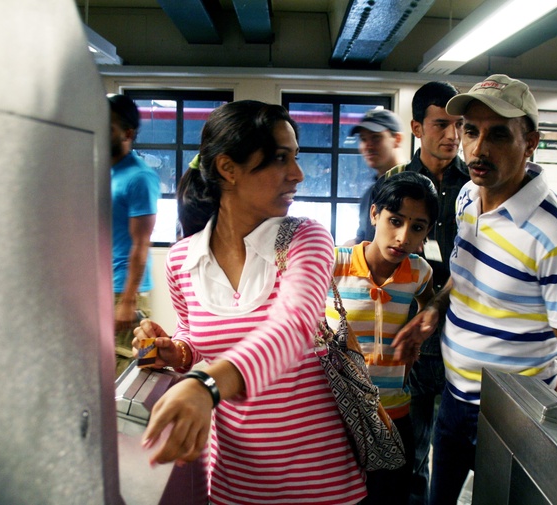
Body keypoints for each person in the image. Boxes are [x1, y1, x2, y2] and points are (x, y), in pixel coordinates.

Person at [132, 100, 366, 504]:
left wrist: (206, 385)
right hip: (233, 486)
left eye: (295, 157)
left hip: (322, 486)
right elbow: (195, 337)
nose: (298, 174)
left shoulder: (306, 239)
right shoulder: (182, 259)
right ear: (228, 168)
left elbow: (293, 327)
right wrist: (176, 351)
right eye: (280, 158)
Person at [395, 75, 557, 504]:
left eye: (499, 134)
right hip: (455, 398)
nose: (478, 148)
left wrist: (550, 448)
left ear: (530, 142)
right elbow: (462, 276)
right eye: (471, 131)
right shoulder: (469, 196)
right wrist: (434, 311)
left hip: (518, 417)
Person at [352, 81, 468, 505]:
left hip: (461, 334)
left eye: (459, 125)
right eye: (441, 125)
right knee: (411, 455)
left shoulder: (475, 188)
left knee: (454, 449)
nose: (452, 135)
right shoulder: (394, 184)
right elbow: (368, 255)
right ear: (417, 128)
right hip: (406, 341)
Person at [327, 171, 439, 505]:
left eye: (417, 227)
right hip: (337, 416)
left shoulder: (419, 272)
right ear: (374, 214)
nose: (403, 237)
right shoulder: (334, 263)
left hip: (394, 414)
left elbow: (429, 302)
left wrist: (420, 329)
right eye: (395, 221)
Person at [109, 94, 160, 377]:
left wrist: (128, 301)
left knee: (135, 369)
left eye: (109, 128)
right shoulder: (107, 172)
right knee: (105, 368)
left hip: (127, 292)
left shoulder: (139, 177)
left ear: (128, 133)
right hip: (104, 286)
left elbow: (142, 242)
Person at [348, 108, 406, 244]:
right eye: (363, 139)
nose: (368, 146)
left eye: (376, 138)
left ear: (397, 139)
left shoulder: (420, 186)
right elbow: (363, 240)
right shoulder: (370, 194)